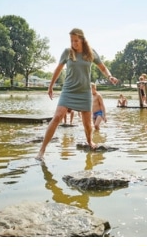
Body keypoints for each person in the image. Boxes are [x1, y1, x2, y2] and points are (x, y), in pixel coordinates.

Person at [36, 28, 119, 160]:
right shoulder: (67, 52)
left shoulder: (91, 53)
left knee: (87, 124)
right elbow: (58, 69)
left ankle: (89, 141)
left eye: (76, 40)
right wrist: (50, 86)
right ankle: (42, 151)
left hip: (84, 92)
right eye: (71, 41)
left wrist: (110, 77)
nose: (73, 43)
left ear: (82, 40)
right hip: (68, 91)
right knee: (57, 117)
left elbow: (102, 67)